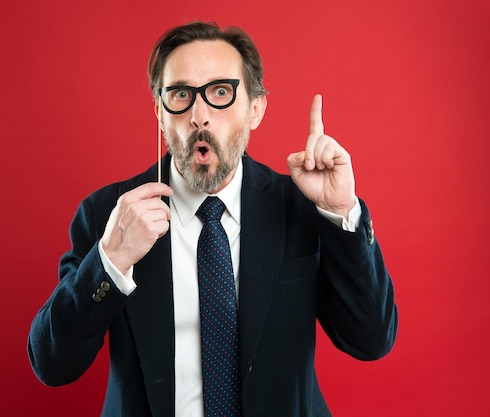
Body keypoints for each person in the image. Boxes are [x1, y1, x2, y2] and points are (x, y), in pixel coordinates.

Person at [28, 21, 398, 417]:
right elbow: (53, 365)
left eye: (221, 92)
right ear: (159, 112)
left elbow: (371, 340)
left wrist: (341, 213)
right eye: (181, 95)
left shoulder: (302, 209)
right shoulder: (109, 215)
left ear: (255, 110)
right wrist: (111, 261)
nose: (199, 115)